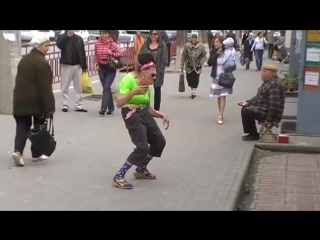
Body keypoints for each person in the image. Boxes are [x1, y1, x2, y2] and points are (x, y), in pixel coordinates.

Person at [112, 53, 170, 189]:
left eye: (155, 75)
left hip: (144, 113)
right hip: (131, 113)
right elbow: (119, 103)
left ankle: (140, 169)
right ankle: (119, 176)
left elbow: (148, 107)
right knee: (142, 147)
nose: (154, 78)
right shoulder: (128, 80)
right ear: (142, 71)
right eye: (152, 75)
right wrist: (134, 92)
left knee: (159, 142)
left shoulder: (147, 85)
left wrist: (161, 115)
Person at [12, 32, 55, 166]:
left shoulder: (24, 59)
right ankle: (36, 154)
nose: (48, 48)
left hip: (20, 100)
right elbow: (45, 88)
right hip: (36, 102)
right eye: (46, 46)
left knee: (22, 126)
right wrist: (50, 108)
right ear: (39, 46)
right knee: (39, 126)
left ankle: (18, 152)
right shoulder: (41, 63)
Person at [238, 64, 285, 141]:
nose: (262, 73)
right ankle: (251, 133)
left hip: (268, 113)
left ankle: (253, 134)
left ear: (272, 74)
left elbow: (274, 104)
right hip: (263, 108)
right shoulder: (268, 82)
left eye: (264, 72)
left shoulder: (274, 84)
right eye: (262, 71)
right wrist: (248, 102)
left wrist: (269, 119)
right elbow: (258, 97)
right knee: (246, 108)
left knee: (246, 111)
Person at [56, 30, 88, 112]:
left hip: (78, 65)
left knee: (78, 86)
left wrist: (84, 65)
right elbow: (59, 45)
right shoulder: (62, 37)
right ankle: (65, 104)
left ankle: (79, 105)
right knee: (65, 86)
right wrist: (67, 37)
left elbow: (82, 52)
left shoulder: (78, 38)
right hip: (67, 65)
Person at [94, 30, 124, 116]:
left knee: (106, 87)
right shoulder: (97, 43)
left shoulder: (112, 44)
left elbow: (121, 53)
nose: (104, 35)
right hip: (101, 68)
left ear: (108, 34)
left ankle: (103, 108)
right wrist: (96, 64)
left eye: (106, 33)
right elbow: (96, 55)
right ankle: (111, 107)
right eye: (103, 33)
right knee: (106, 88)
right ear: (100, 34)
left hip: (110, 68)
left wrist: (112, 53)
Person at [208, 36, 236, 124]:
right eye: (214, 42)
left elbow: (234, 65)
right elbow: (209, 63)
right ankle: (220, 112)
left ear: (222, 43)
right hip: (216, 77)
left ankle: (220, 114)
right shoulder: (213, 51)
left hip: (225, 76)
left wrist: (229, 66)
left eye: (217, 42)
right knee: (219, 96)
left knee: (223, 95)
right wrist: (216, 53)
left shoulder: (228, 52)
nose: (215, 43)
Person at [140, 30, 168, 111]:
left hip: (158, 71)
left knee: (157, 88)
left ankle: (156, 109)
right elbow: (141, 55)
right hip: (146, 71)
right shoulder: (145, 45)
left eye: (155, 34)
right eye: (152, 34)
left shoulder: (162, 45)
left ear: (158, 35)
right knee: (144, 88)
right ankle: (144, 106)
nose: (153, 36)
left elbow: (164, 59)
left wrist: (161, 68)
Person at [180, 34, 207, 98]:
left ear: (197, 39)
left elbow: (204, 55)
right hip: (189, 66)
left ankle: (194, 91)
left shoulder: (201, 46)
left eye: (195, 38)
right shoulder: (187, 46)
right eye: (192, 38)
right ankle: (192, 89)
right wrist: (182, 65)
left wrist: (201, 62)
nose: (194, 39)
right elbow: (183, 55)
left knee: (196, 78)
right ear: (191, 39)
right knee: (189, 79)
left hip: (197, 66)